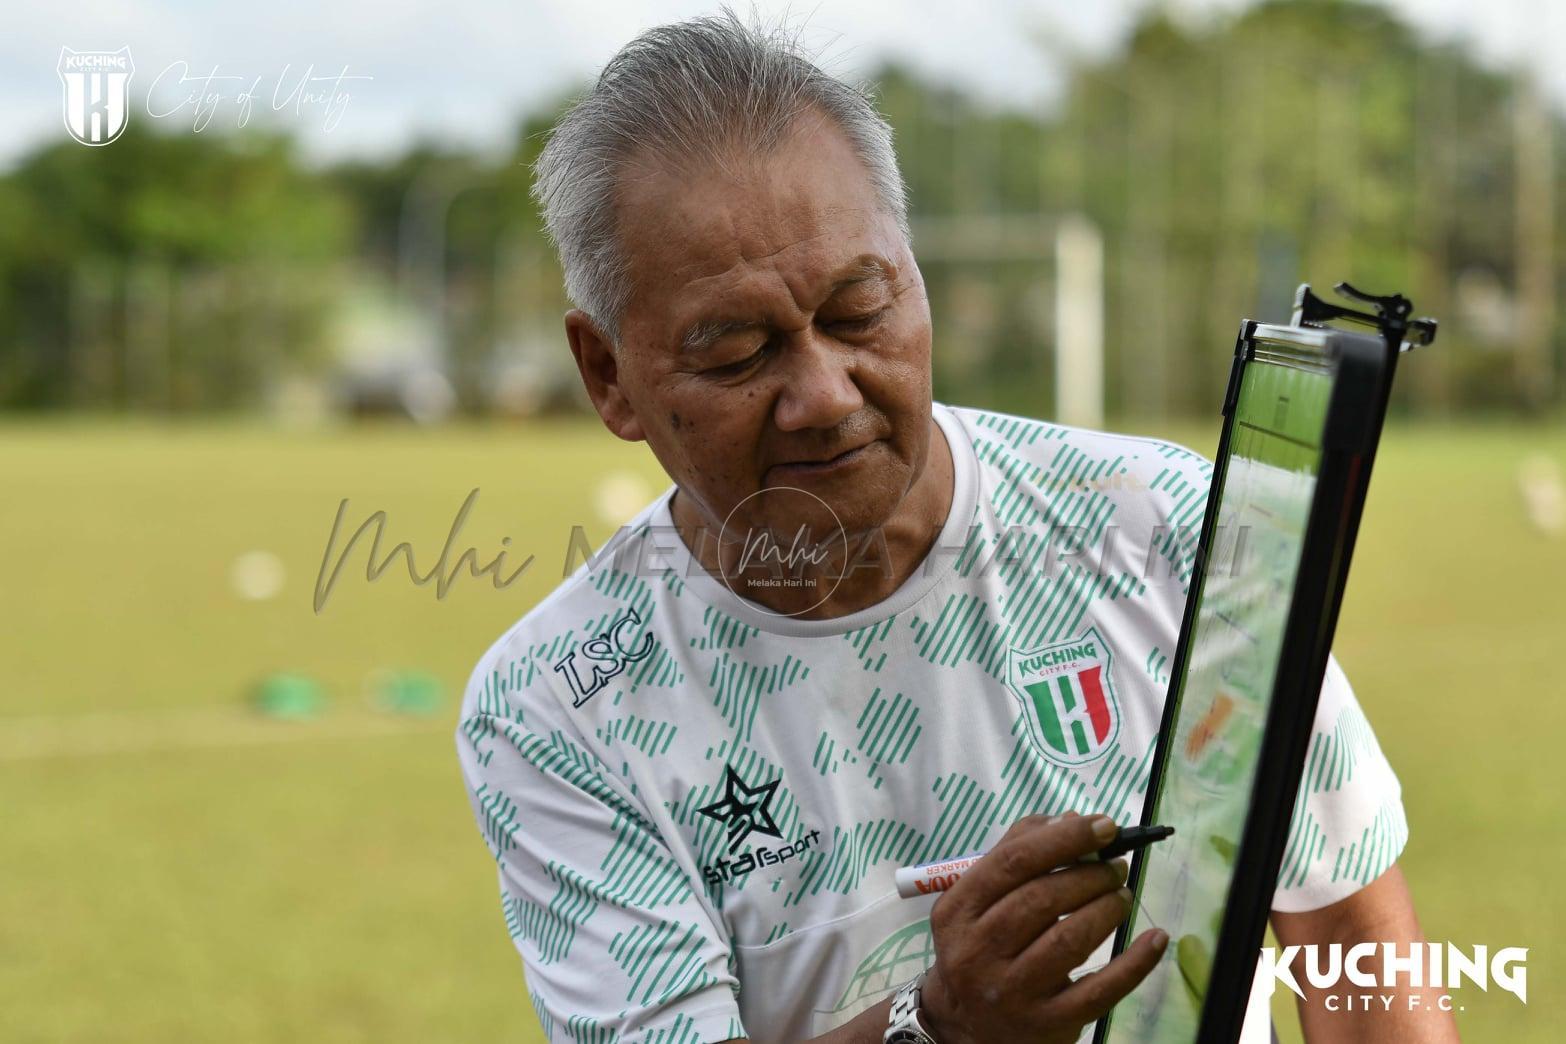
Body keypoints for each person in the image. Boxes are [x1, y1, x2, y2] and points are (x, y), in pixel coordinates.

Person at [455, 10, 1455, 1043]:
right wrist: (936, 1029)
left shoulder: (1167, 531)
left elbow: (1354, 945)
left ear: (914, 273)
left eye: (857, 311)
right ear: (608, 376)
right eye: (738, 352)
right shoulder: (562, 704)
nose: (825, 395)